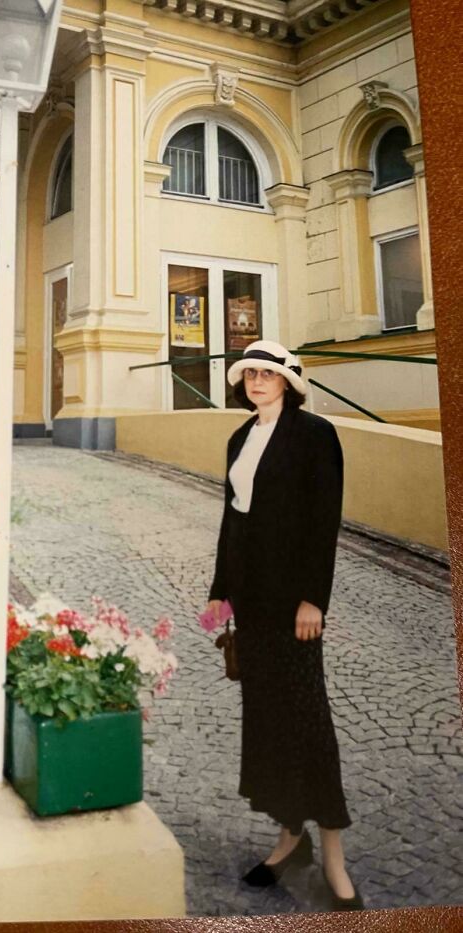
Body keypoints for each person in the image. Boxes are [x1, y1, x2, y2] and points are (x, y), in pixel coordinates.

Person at [205, 339, 363, 911]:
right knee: (267, 718)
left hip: (293, 604)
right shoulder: (240, 437)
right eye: (249, 372)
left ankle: (334, 856)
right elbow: (232, 520)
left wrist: (313, 599)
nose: (256, 380)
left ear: (288, 383)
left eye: (267, 373)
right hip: (250, 603)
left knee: (308, 720)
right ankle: (289, 838)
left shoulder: (315, 435)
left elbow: (323, 521)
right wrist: (220, 593)